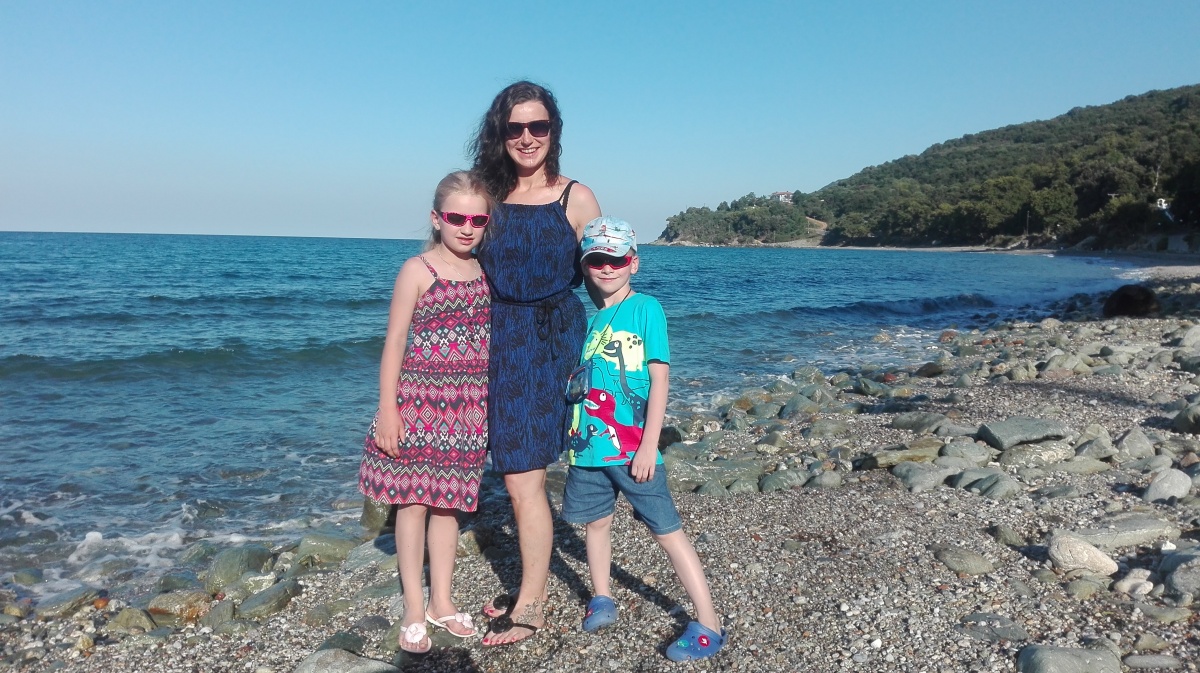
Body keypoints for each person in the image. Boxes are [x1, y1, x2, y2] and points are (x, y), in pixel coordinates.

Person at [470, 81, 602, 647]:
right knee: (516, 471)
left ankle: (531, 603)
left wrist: (629, 351)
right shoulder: (487, 195)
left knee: (524, 475)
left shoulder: (576, 198)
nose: (527, 138)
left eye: (538, 126)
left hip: (552, 342)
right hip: (495, 339)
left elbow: (605, 280)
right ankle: (531, 585)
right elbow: (453, 258)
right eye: (515, 127)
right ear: (499, 133)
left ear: (554, 131)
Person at [562, 217, 726, 662]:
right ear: (584, 265)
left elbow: (659, 379)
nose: (607, 267)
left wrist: (650, 444)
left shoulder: (646, 308)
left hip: (634, 447)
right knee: (596, 523)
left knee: (666, 531)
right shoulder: (591, 320)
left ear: (633, 263)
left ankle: (709, 623)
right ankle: (602, 596)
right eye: (596, 259)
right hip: (589, 448)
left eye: (617, 260)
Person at [358, 171, 493, 654]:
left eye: (478, 220)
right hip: (417, 404)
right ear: (437, 219)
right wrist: (387, 410)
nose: (467, 227)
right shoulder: (417, 269)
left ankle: (442, 601)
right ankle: (414, 608)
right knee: (412, 503)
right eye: (457, 218)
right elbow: (395, 342)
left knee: (448, 505)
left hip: (468, 407)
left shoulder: (485, 271)